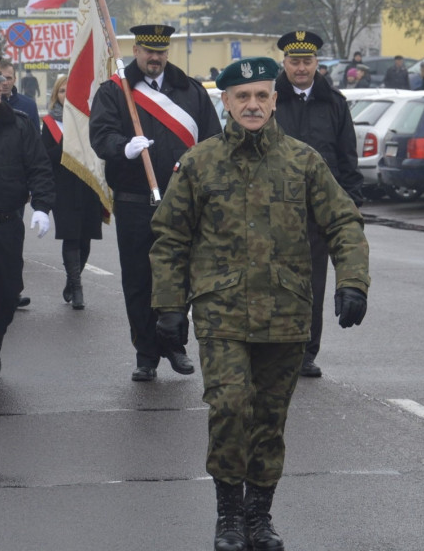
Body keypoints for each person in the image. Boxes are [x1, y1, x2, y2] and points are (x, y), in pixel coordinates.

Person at [149, 57, 370, 551]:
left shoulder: (303, 161)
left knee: (269, 420)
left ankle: (259, 517)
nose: (252, 105)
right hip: (221, 313)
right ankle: (228, 515)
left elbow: (343, 223)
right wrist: (168, 306)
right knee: (228, 407)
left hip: (286, 315)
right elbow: (170, 236)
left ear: (274, 100)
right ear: (225, 102)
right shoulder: (200, 162)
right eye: (241, 96)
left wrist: (352, 281)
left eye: (261, 96)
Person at [89, 24, 222, 382]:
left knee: (181, 275)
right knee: (139, 279)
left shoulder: (190, 91)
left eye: (161, 52)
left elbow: (213, 140)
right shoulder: (116, 92)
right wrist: (124, 148)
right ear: (136, 50)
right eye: (149, 51)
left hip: (184, 202)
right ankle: (146, 353)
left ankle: (174, 345)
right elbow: (101, 135)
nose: (155, 58)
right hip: (135, 200)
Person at [274, 30, 365, 379]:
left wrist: (351, 203)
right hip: (275, 207)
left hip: (317, 210)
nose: (300, 68)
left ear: (317, 64)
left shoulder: (334, 103)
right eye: (294, 61)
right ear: (284, 62)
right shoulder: (270, 99)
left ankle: (306, 353)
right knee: (276, 282)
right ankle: (277, 347)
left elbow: (346, 158)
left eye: (307, 61)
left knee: (312, 284)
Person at [0, 69, 55, 379]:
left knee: (6, 293)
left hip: (5, 224)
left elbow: (39, 167)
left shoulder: (18, 124)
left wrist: (42, 206)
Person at [41, 74, 104, 310]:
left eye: (70, 91)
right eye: (61, 91)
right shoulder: (50, 123)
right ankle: (77, 288)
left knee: (85, 238)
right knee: (71, 236)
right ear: (56, 95)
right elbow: (46, 157)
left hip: (88, 187)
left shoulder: (90, 121)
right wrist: (68, 143)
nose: (66, 96)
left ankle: (71, 280)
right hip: (63, 188)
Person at [0, 59, 40, 130]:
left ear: (14, 79)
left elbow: (36, 138)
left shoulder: (29, 105)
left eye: (8, 78)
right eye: (1, 78)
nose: (5, 83)